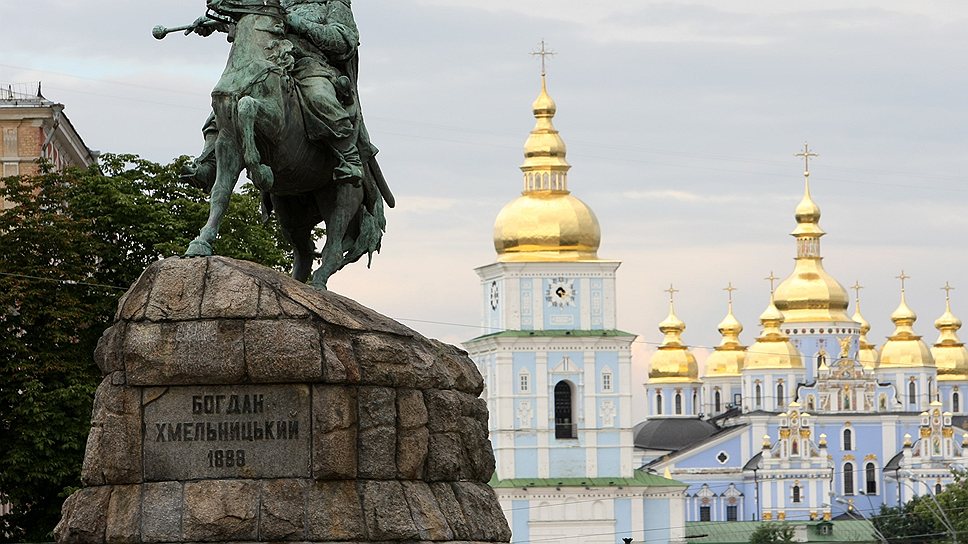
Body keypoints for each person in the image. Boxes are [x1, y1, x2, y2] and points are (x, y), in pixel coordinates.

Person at [183, 0, 370, 191]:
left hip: (310, 64)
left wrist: (300, 24)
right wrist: (213, 21)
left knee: (319, 97)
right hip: (271, 61)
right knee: (226, 102)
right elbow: (248, 14)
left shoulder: (332, 2)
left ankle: (349, 158)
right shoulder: (277, 1)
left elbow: (344, 41)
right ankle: (210, 162)